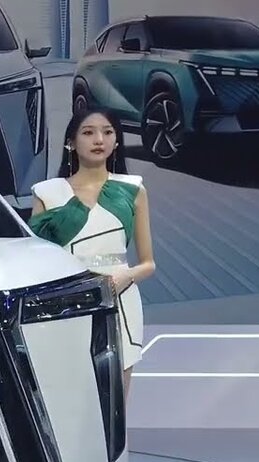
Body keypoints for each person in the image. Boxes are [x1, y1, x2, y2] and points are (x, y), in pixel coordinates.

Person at [29, 107, 156, 398]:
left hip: (119, 301)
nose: (99, 139)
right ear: (71, 143)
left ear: (117, 141)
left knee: (115, 402)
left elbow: (148, 263)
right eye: (88, 132)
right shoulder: (47, 192)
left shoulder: (132, 189)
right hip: (64, 304)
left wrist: (122, 278)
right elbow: (35, 261)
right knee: (65, 396)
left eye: (108, 132)